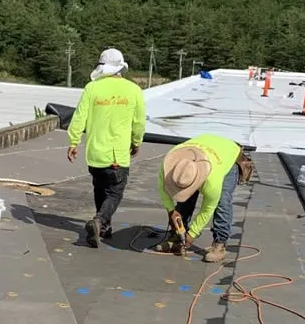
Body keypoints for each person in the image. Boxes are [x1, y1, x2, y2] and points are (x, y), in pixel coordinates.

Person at [66, 48, 146, 248]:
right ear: (120, 67)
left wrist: (74, 142)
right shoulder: (133, 90)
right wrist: (136, 142)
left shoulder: (92, 88)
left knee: (100, 187)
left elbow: (79, 117)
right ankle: (100, 221)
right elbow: (139, 123)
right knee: (114, 193)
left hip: (95, 152)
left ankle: (104, 228)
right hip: (117, 154)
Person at [156, 134, 243, 263]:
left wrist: (193, 234)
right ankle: (178, 236)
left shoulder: (212, 181)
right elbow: (162, 188)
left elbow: (208, 208)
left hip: (227, 155)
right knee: (184, 197)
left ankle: (220, 244)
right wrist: (171, 211)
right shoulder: (169, 165)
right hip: (204, 145)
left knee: (222, 202)